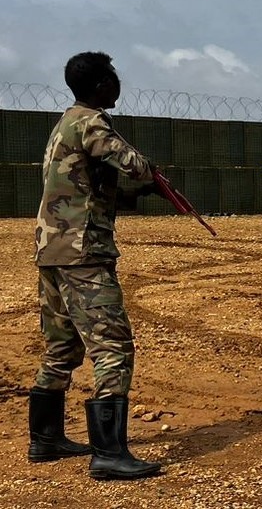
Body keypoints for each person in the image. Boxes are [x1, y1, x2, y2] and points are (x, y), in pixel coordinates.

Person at [30, 51, 161, 480]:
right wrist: (152, 177)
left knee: (62, 347)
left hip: (53, 249)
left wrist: (131, 194)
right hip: (83, 254)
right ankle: (109, 453)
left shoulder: (63, 125)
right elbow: (134, 164)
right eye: (113, 78)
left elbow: (82, 186)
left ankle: (45, 438)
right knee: (113, 347)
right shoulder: (91, 122)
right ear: (102, 84)